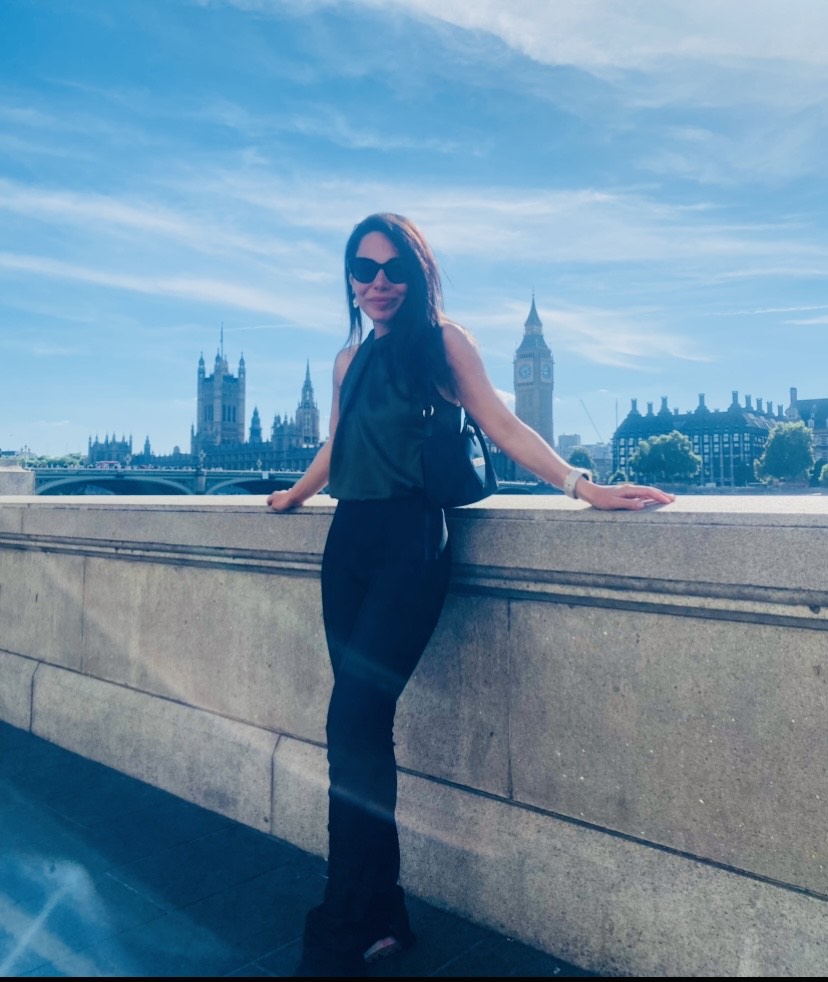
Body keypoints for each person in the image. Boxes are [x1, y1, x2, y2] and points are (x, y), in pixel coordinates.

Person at [267, 213, 675, 976]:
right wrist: (294, 493)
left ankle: (337, 926)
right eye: (364, 269)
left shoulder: (444, 342)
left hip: (412, 543)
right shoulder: (347, 358)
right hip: (347, 544)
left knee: (351, 722)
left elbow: (501, 422)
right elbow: (337, 443)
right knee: (361, 732)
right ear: (349, 277)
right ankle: (384, 915)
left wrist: (583, 486)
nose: (379, 284)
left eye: (395, 271)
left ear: (419, 277)